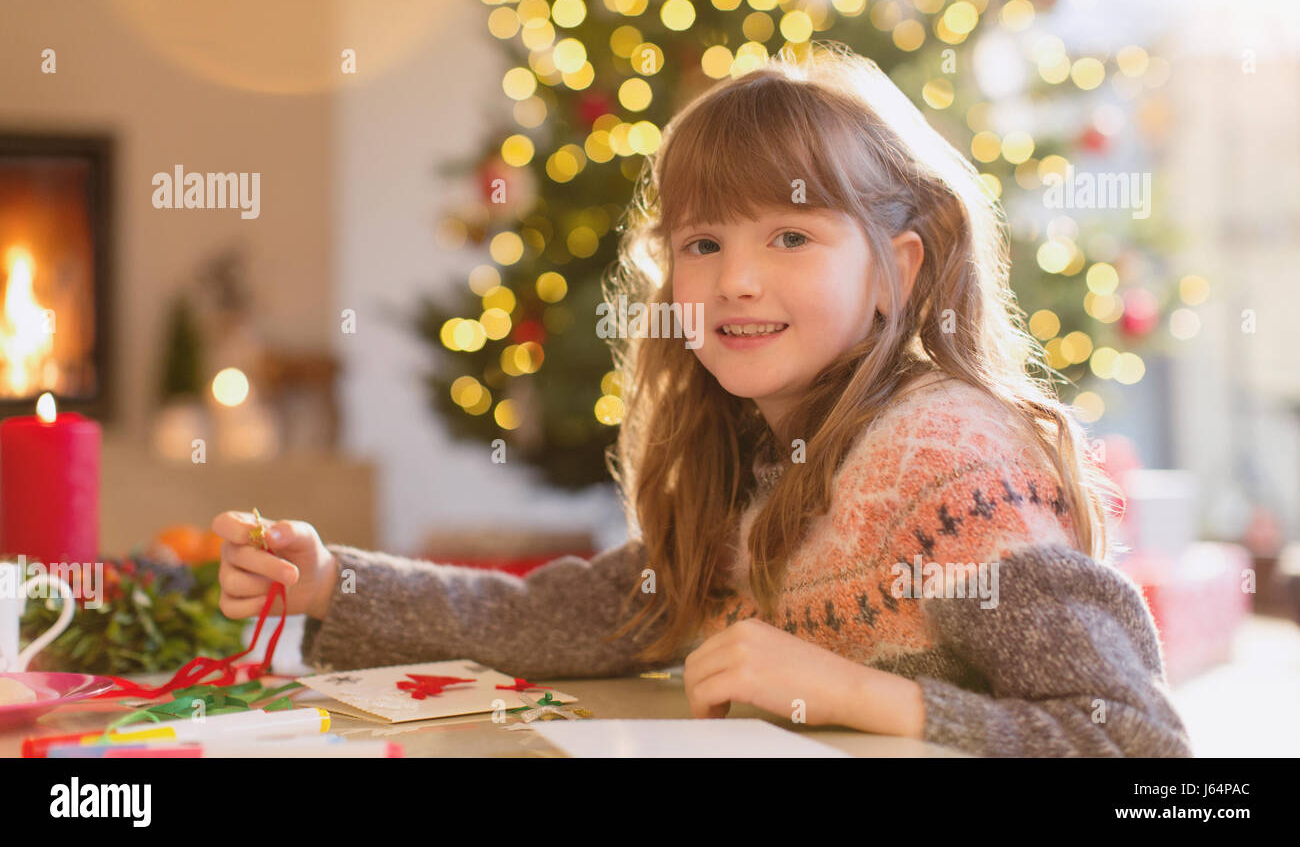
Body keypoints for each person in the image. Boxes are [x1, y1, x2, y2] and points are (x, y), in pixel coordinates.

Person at [213, 41, 1193, 757]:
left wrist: (866, 695)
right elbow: (576, 620)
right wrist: (335, 582)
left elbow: (1146, 748)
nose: (735, 279)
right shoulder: (767, 460)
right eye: (704, 241)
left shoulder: (947, 459)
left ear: (896, 269)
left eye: (791, 237)